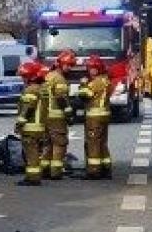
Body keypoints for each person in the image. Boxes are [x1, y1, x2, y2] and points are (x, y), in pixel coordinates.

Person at [15, 59, 49, 185]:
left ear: (31, 77)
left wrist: (19, 124)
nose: (23, 79)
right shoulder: (43, 89)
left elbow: (27, 108)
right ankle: (33, 176)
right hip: (40, 126)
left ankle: (33, 178)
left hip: (30, 127)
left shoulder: (30, 90)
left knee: (31, 153)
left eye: (24, 77)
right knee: (36, 152)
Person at [43, 50, 76, 179]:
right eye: (68, 65)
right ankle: (56, 172)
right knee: (59, 143)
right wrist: (69, 114)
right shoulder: (59, 79)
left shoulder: (48, 76)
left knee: (48, 144)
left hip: (45, 116)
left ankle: (45, 170)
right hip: (56, 117)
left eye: (70, 65)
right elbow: (61, 98)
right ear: (60, 64)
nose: (69, 68)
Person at [80, 54, 114, 178]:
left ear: (98, 69)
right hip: (104, 115)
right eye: (89, 68)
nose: (90, 71)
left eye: (92, 68)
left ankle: (94, 171)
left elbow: (84, 94)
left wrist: (83, 84)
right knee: (102, 143)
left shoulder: (96, 82)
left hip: (94, 117)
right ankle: (106, 168)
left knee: (93, 143)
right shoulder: (106, 80)